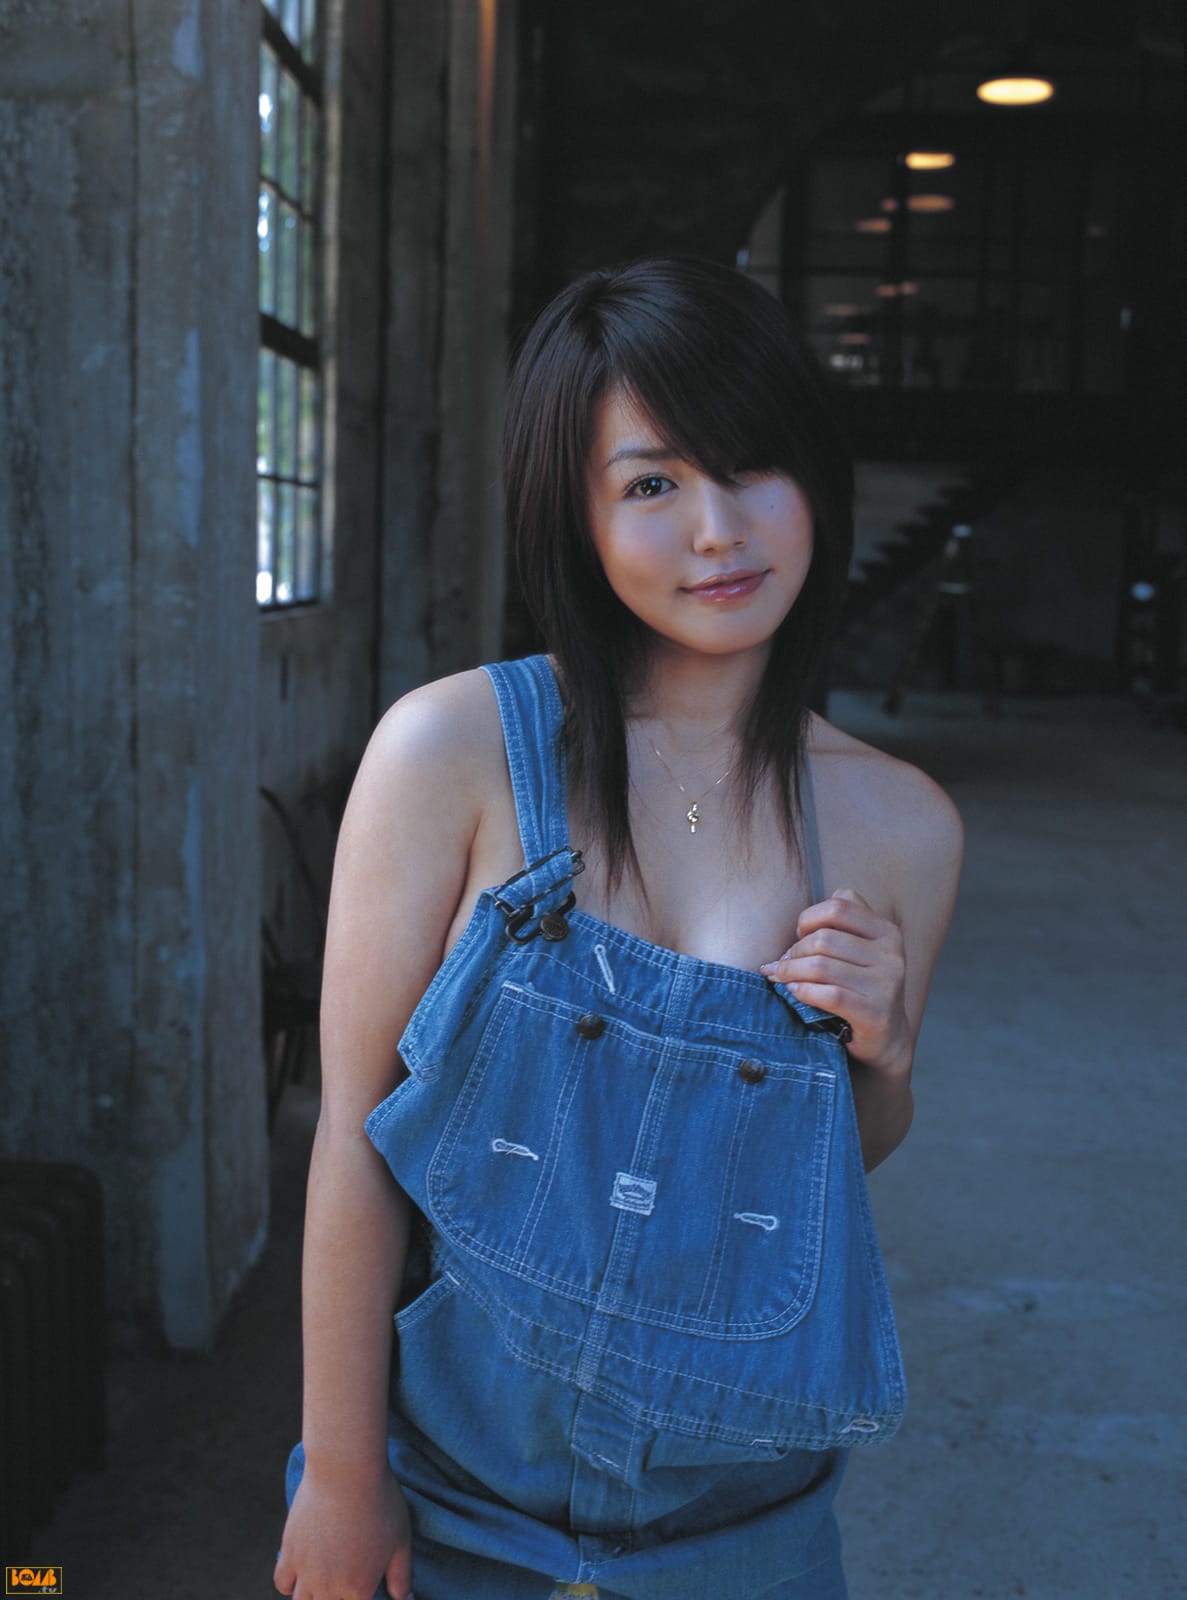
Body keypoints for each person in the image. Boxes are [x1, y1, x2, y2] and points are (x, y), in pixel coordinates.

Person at [273, 256, 963, 1600]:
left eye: (753, 467)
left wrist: (883, 1057)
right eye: (652, 484)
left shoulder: (902, 827)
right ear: (574, 514)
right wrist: (344, 1477)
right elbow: (354, 1137)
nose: (719, 530)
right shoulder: (455, 752)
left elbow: (829, 1167)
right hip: (451, 1501)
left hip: (746, 1536)